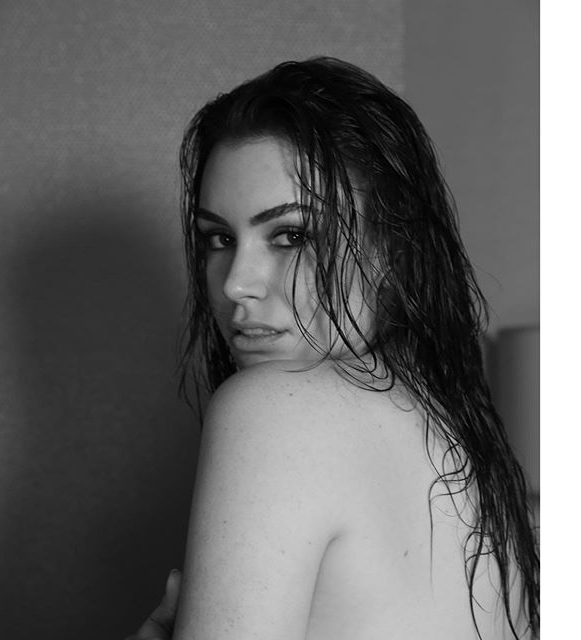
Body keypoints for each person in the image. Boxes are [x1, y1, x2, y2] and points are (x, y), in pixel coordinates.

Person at [128, 57, 539, 639]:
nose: (235, 283)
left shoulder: (272, 410)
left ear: (391, 245)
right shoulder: (462, 443)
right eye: (218, 238)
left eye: (291, 234)